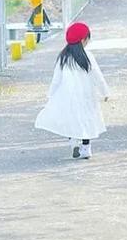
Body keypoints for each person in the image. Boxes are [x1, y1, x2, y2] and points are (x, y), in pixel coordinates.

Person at [35, 21, 110, 159]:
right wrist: (105, 92)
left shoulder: (63, 57)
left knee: (70, 119)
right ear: (83, 40)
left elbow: (56, 79)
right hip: (87, 96)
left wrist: (51, 94)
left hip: (67, 95)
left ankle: (73, 142)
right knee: (86, 120)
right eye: (88, 38)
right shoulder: (88, 56)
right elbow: (97, 76)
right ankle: (86, 149)